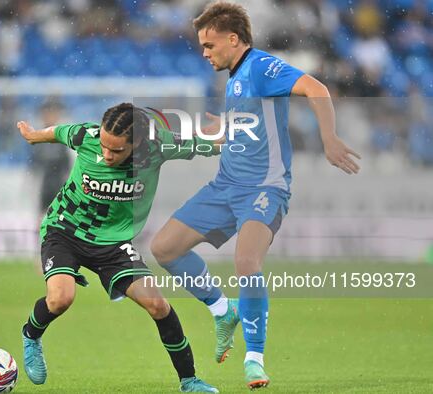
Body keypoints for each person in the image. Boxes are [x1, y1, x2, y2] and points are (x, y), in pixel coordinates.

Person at [150, 2, 361, 389]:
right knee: (164, 249)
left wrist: (328, 138)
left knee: (246, 260)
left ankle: (254, 359)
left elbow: (316, 88)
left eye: (209, 45)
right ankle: (221, 309)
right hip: (225, 186)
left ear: (233, 39)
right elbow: (254, 126)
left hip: (265, 188)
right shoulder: (234, 77)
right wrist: (227, 126)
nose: (204, 53)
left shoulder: (262, 66)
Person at [17, 103, 222, 393]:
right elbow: (57, 133)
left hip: (113, 244)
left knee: (157, 305)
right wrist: (33, 134)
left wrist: (238, 135)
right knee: (61, 299)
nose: (106, 154)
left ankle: (189, 381)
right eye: (103, 146)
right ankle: (30, 334)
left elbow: (207, 143)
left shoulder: (157, 146)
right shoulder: (86, 135)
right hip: (65, 230)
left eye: (116, 151)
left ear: (136, 143)